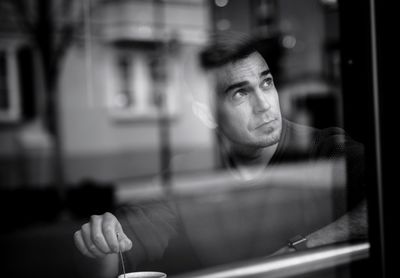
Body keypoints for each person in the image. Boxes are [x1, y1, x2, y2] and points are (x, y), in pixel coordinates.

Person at [73, 33, 367, 274]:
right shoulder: (190, 174)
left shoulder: (325, 149)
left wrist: (303, 246)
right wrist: (103, 239)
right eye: (240, 93)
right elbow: (128, 243)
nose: (264, 104)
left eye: (267, 83)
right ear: (206, 114)